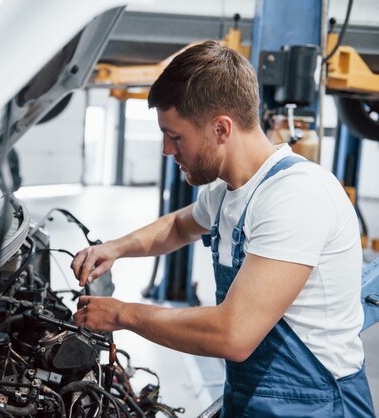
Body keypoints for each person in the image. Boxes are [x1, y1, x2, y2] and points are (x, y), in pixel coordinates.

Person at [70, 41, 375, 417]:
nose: (167, 150)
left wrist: (122, 315)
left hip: (315, 406)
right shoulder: (229, 189)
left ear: (220, 128)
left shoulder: (295, 196)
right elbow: (179, 226)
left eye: (175, 136)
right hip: (253, 398)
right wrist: (115, 248)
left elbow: (234, 334)